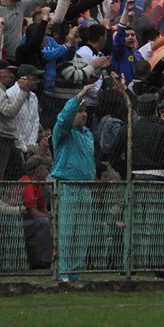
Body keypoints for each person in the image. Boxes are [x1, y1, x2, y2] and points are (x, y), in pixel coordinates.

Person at [51, 83, 97, 282]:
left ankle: (75, 272)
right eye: (79, 111)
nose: (83, 114)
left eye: (85, 110)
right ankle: (63, 272)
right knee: (67, 231)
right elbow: (64, 118)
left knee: (82, 234)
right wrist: (78, 97)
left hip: (85, 187)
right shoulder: (63, 132)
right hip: (67, 186)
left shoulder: (87, 135)